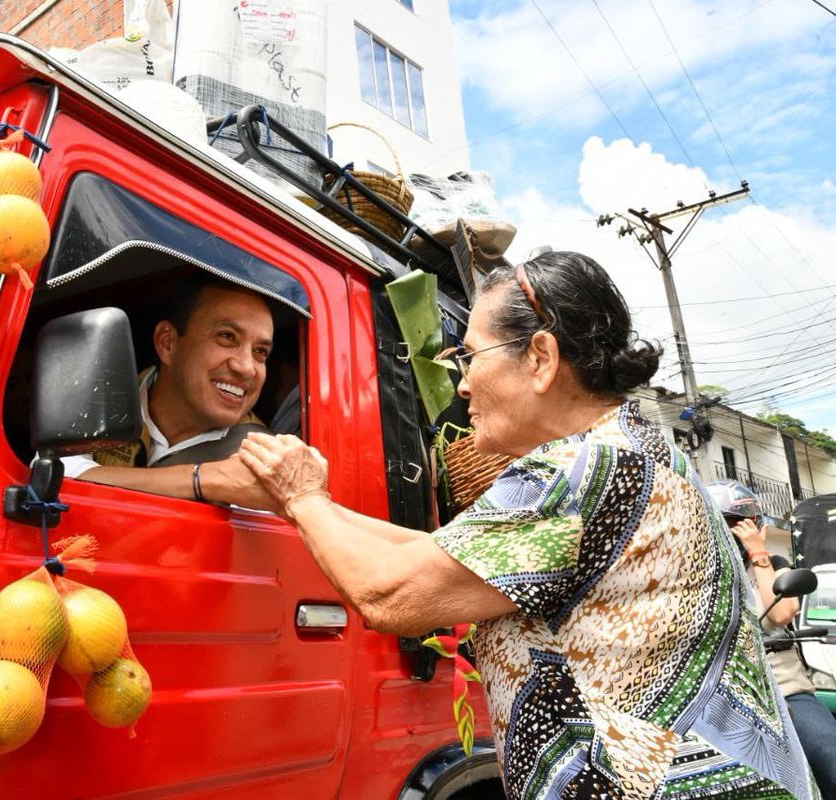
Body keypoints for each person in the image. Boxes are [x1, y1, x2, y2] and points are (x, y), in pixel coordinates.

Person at [241, 251, 818, 798]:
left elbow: (391, 595)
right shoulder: (632, 450)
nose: (462, 383)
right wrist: (312, 503)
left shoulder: (579, 470)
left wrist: (304, 498)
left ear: (540, 357)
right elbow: (441, 555)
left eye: (470, 356)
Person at [61, 275, 278, 508]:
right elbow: (55, 474)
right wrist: (206, 479)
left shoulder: (264, 458)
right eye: (227, 337)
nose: (246, 368)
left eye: (260, 352)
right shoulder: (100, 400)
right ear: (167, 342)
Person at [707, 480, 836, 798]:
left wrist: (759, 553)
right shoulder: (700, 574)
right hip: (722, 694)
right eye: (719, 523)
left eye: (736, 524)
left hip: (783, 689)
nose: (728, 532)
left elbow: (781, 614)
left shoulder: (772, 565)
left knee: (830, 757)